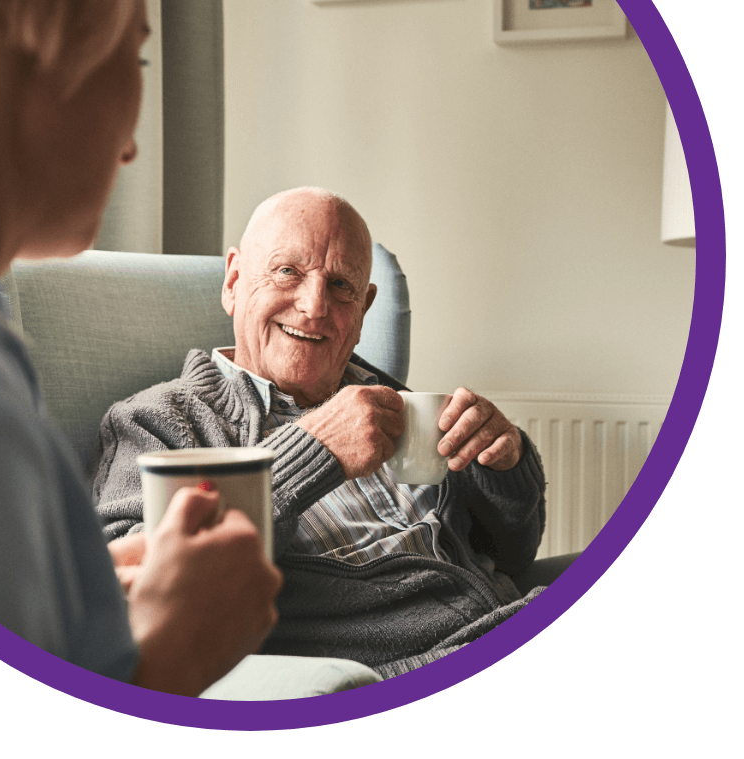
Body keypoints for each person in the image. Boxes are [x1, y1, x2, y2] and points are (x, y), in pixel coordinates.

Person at [0, 0, 282, 698]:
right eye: (130, 55)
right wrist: (173, 652)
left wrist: (61, 590)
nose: (132, 143)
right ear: (25, 31)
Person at [93, 186, 566, 680]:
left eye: (341, 285)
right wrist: (313, 450)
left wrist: (505, 466)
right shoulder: (158, 419)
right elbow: (131, 595)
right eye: (287, 271)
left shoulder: (394, 399)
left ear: (364, 309)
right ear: (234, 280)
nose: (315, 305)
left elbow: (512, 555)